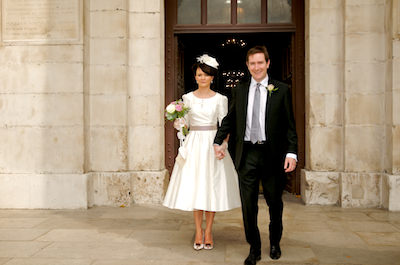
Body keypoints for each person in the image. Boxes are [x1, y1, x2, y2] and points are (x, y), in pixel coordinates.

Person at [214, 46, 298, 264]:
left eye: (260, 63)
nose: (257, 67)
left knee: (274, 204)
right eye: (252, 63)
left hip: (273, 155)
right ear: (247, 65)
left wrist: (292, 152)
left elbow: (290, 125)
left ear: (267, 63)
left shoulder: (281, 89)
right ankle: (255, 248)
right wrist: (218, 140)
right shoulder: (240, 90)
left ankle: (274, 243)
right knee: (248, 206)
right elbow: (230, 118)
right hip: (247, 154)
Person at [163, 54, 241, 251]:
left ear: (212, 77)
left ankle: (209, 231)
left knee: (211, 187)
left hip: (213, 144)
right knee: (197, 186)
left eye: (206, 75)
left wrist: (222, 146)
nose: (203, 78)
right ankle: (198, 230)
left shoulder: (221, 99)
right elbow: (185, 125)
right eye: (199, 75)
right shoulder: (187, 98)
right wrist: (179, 123)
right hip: (195, 144)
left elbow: (224, 126)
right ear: (195, 77)